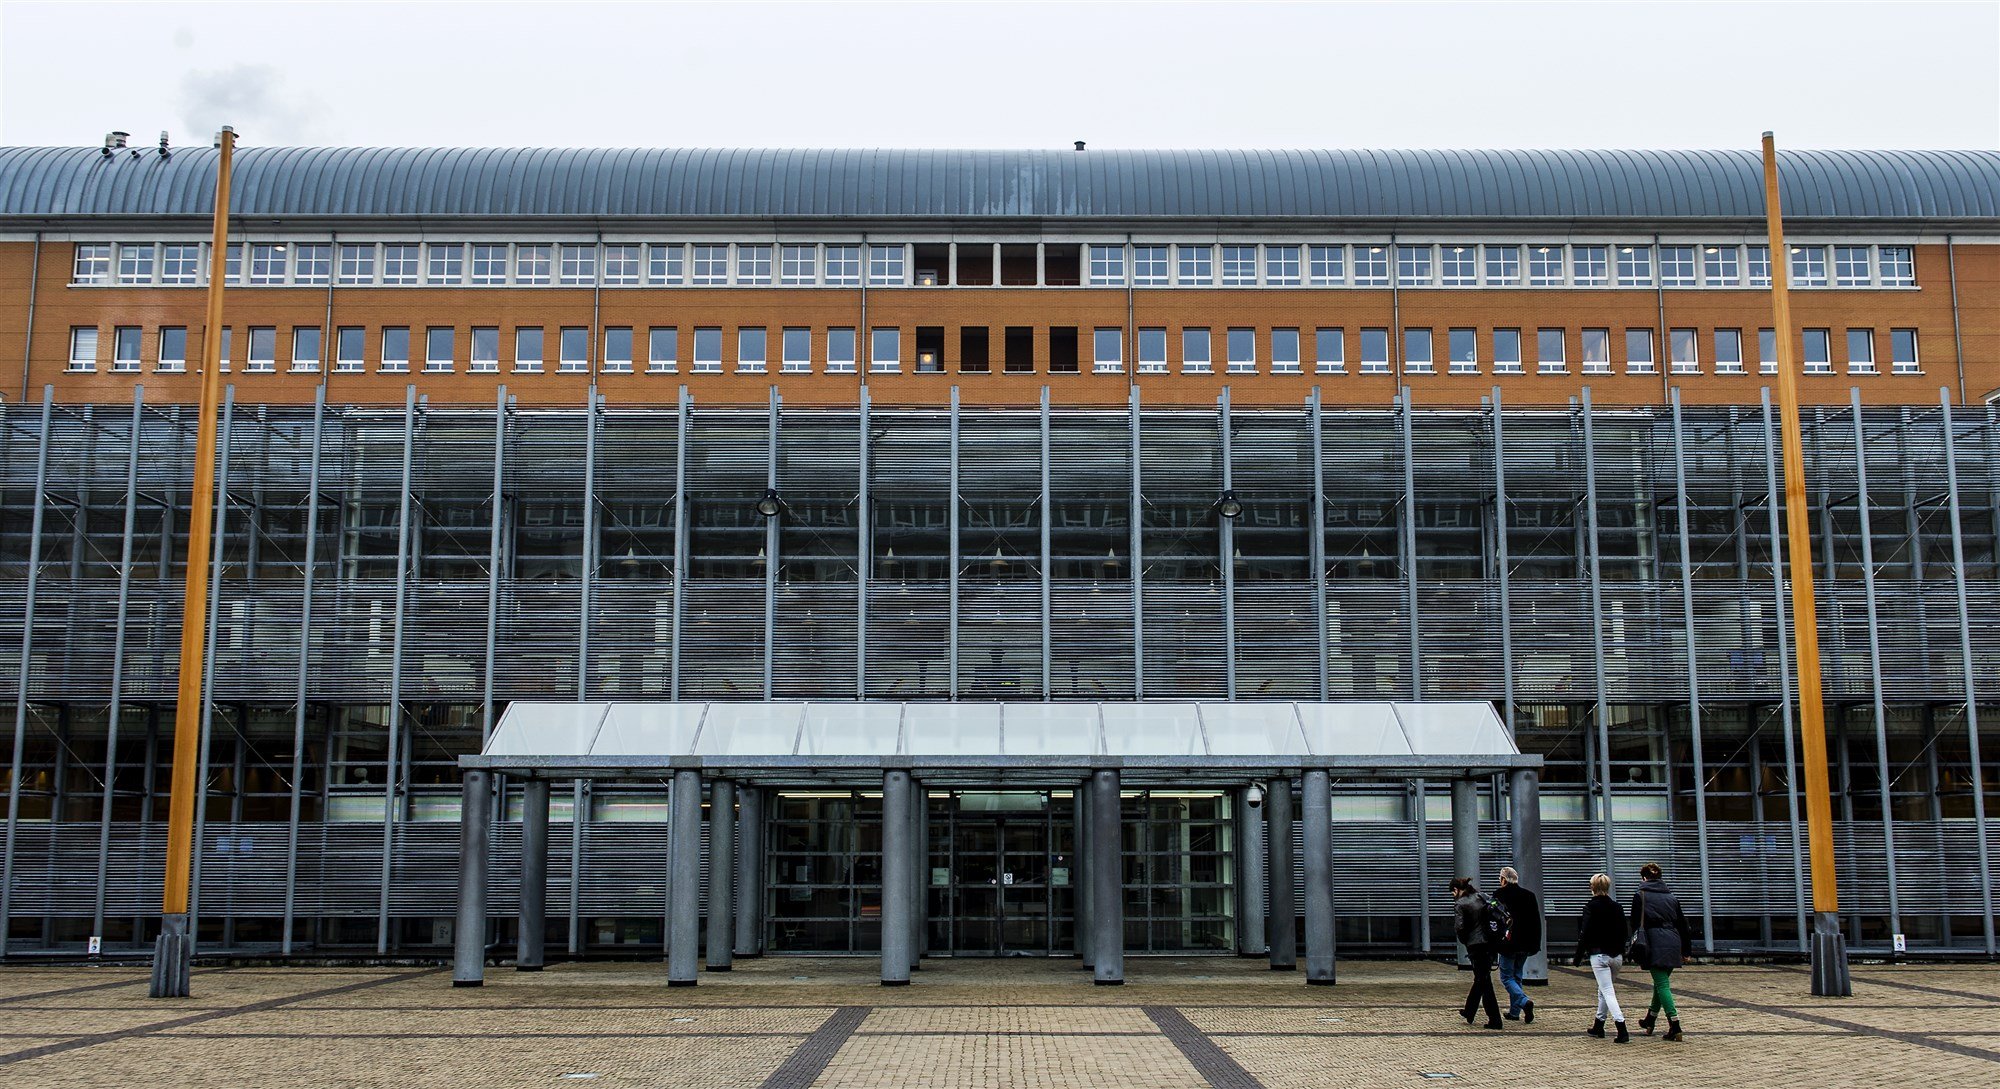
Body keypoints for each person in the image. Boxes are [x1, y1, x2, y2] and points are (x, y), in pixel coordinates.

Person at [1630, 862, 1692, 1041]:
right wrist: (1686, 950)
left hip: (1653, 943)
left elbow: (1634, 924)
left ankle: (1675, 1024)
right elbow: (1683, 925)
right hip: (1673, 941)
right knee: (1660, 983)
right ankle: (1650, 1019)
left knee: (1662, 985)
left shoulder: (1640, 895)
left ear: (1643, 878)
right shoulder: (1672, 897)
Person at [1572, 873, 1630, 1043]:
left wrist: (1578, 956)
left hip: (1599, 955)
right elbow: (1624, 932)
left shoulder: (1590, 907)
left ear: (1592, 888)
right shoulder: (1617, 907)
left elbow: (1585, 933)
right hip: (1616, 955)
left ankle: (1622, 1027)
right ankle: (1599, 1024)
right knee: (1604, 990)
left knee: (1608, 992)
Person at [1450, 876, 1502, 1029]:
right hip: (1490, 942)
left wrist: (1465, 940)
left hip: (1476, 945)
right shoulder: (1481, 896)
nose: (1453, 896)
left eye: (1452, 893)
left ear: (1456, 890)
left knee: (1484, 982)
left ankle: (1495, 1020)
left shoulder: (1460, 904)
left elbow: (1459, 927)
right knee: (1482, 979)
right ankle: (1470, 1011)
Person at [1493, 865, 1541, 1023]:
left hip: (1508, 943)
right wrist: (1535, 944)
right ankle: (1514, 1013)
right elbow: (1536, 922)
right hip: (1526, 944)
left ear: (1503, 880)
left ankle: (1524, 1002)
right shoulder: (1529, 895)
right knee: (1517, 976)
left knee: (1506, 977)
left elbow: (1495, 920)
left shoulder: (1499, 895)